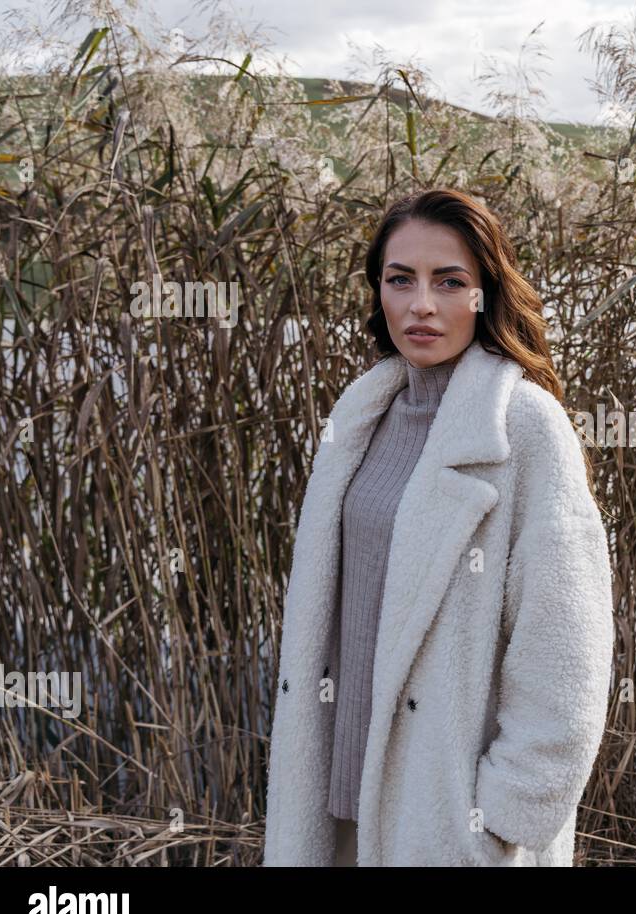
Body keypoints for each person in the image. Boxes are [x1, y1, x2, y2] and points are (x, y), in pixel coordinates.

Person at [262, 188, 615, 866]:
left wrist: (505, 816)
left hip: (447, 820)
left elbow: (566, 651)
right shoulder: (361, 420)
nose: (421, 304)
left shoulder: (523, 429)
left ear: (486, 293)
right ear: (379, 293)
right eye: (401, 280)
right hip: (341, 800)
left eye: (449, 282)